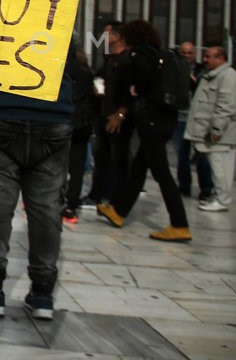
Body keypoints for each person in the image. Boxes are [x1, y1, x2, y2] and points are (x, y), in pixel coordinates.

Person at [0, 41, 75, 321]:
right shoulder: (58, 5)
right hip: (53, 113)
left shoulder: (0, 8)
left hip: (2, 110)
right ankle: (42, 293)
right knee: (47, 210)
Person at [95, 20, 191, 242]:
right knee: (138, 170)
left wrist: (136, 89)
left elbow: (142, 82)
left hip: (151, 121)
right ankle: (119, 212)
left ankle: (179, 224)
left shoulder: (139, 55)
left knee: (162, 173)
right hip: (167, 119)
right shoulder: (159, 53)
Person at [184, 46, 236, 211]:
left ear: (220, 58)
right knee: (217, 167)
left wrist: (216, 129)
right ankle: (219, 197)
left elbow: (226, 105)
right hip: (213, 132)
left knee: (221, 168)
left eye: (209, 56)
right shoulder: (214, 75)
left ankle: (222, 200)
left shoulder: (228, 76)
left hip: (222, 134)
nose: (205, 59)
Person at [83, 21, 133, 207]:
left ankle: (116, 199)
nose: (103, 38)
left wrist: (120, 114)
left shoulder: (126, 60)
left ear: (118, 36)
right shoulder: (108, 60)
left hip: (117, 118)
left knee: (118, 159)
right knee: (102, 157)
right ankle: (97, 194)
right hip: (103, 115)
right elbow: (102, 81)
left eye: (107, 34)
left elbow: (130, 91)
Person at [173, 41, 213, 199]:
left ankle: (206, 188)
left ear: (194, 54)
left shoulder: (201, 71)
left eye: (190, 53)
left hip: (197, 119)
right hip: (180, 118)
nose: (187, 56)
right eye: (184, 53)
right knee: (181, 155)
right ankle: (184, 186)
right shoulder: (174, 70)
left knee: (201, 154)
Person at [63, 47, 96, 224]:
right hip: (83, 124)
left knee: (57, 163)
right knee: (78, 167)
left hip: (66, 121)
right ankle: (71, 205)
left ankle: (55, 199)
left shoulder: (64, 67)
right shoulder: (86, 70)